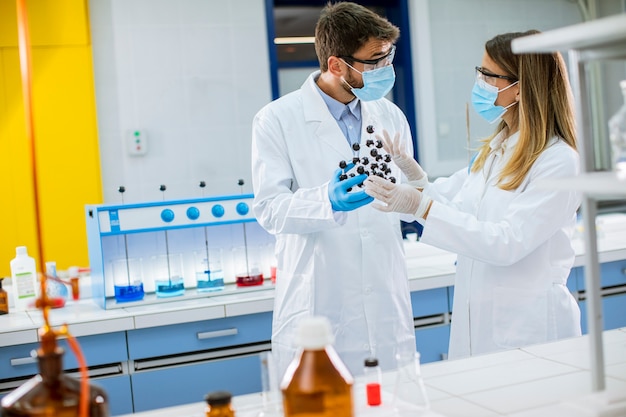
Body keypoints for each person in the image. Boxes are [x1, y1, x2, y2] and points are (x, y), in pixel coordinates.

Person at [364, 30, 582, 360]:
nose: (478, 81)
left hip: (531, 329)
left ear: (519, 87)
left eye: (487, 74)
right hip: (480, 323)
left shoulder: (558, 160)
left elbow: (507, 242)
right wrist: (417, 179)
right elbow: (458, 208)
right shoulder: (497, 151)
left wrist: (422, 207)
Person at [251, 2, 416, 378]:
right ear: (337, 66)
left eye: (388, 56)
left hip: (384, 299)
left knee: (393, 400)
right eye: (374, 61)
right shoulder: (276, 120)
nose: (384, 70)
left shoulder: (389, 116)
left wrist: (415, 195)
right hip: (319, 301)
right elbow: (270, 210)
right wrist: (325, 200)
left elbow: (406, 200)